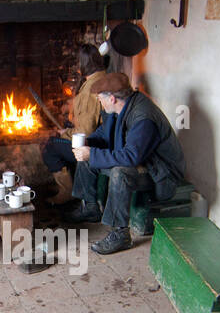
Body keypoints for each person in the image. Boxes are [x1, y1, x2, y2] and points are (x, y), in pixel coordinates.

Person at [64, 73, 186, 255]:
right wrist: (87, 143)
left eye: (100, 99)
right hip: (143, 162)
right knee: (86, 159)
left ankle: (120, 234)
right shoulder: (118, 109)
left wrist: (93, 154)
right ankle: (90, 207)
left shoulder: (143, 117)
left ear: (111, 98)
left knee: (120, 172)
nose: (99, 103)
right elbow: (104, 135)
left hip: (161, 173)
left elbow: (131, 157)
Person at [42, 44, 109, 204]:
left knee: (49, 147)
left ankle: (66, 192)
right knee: (58, 138)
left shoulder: (90, 90)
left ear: (82, 64)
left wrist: (64, 133)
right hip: (99, 138)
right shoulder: (103, 77)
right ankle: (70, 185)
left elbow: (85, 131)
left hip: (93, 144)